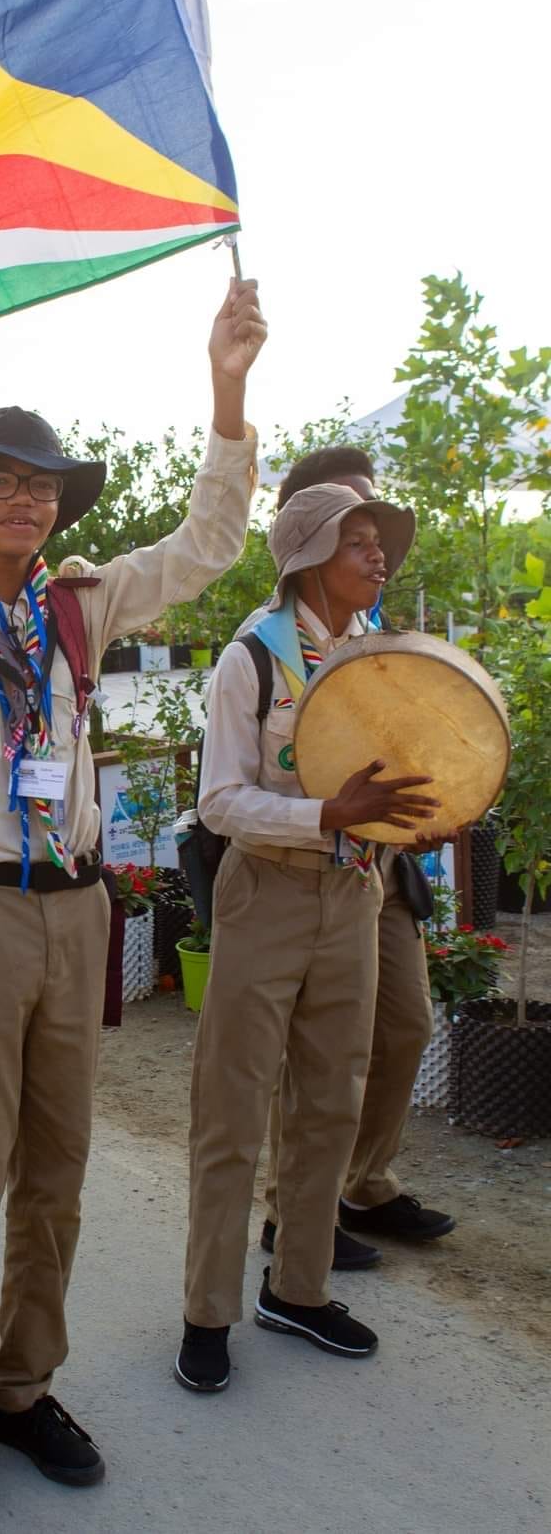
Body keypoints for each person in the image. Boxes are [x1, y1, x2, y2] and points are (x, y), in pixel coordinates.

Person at [0, 278, 267, 1523]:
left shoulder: (81, 607)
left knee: (60, 1173)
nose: (26, 501)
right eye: (1, 481)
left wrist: (227, 387)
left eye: (44, 485)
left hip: (74, 913)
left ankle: (22, 1388)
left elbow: (210, 546)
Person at [176, 485, 441, 1397]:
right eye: (357, 543)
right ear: (307, 558)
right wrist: (330, 811)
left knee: (333, 1098)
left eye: (379, 544)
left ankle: (300, 1288)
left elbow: (399, 778)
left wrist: (412, 822)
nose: (378, 558)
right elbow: (218, 802)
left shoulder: (372, 658)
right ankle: (206, 1311)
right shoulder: (252, 658)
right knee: (235, 1111)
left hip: (353, 894)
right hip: (268, 894)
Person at [260, 447, 455, 1265]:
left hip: (380, 866)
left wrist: (432, 811)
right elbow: (238, 789)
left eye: (375, 522)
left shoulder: (377, 637)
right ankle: (290, 1209)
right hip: (299, 868)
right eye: (355, 525)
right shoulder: (269, 647)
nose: (376, 546)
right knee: (312, 1049)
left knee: (404, 1025)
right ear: (308, 537)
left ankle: (362, 1181)